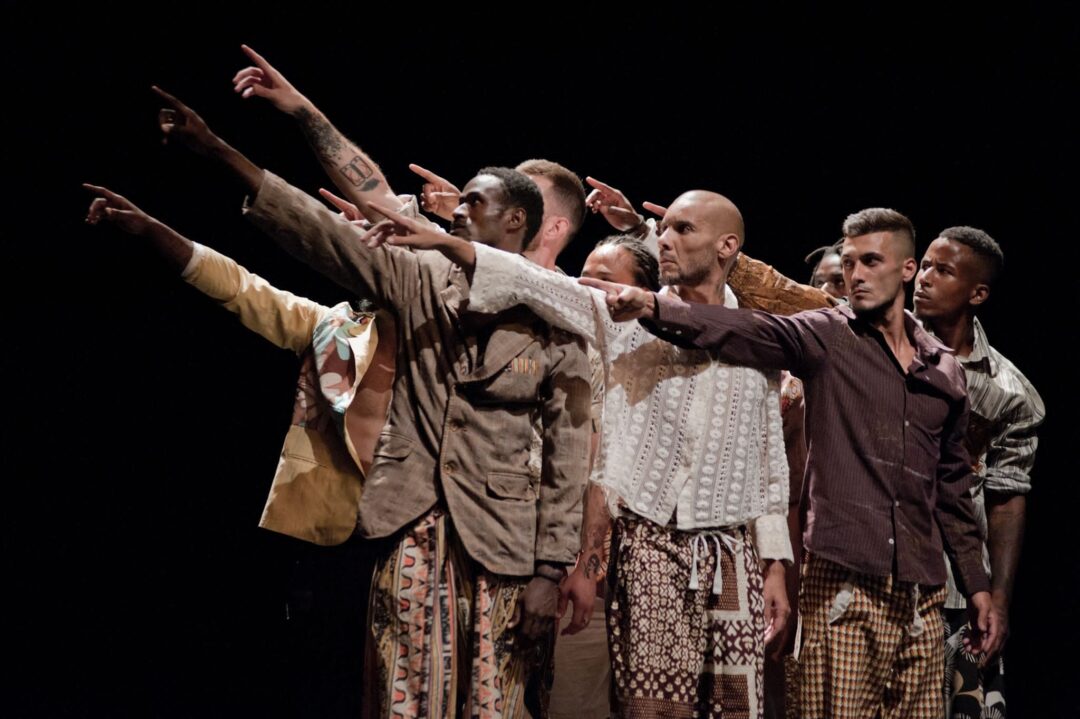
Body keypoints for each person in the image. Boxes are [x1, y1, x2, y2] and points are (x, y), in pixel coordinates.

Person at [153, 86, 593, 719]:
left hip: (504, 543)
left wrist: (550, 571)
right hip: (412, 522)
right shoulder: (419, 276)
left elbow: (568, 453)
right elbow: (319, 230)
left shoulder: (558, 313)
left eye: (474, 201)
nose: (457, 209)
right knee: (403, 699)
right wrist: (220, 150)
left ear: (516, 221)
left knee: (495, 704)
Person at [356, 187, 831, 718]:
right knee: (649, 710)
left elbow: (768, 461)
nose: (664, 240)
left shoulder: (757, 336)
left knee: (736, 708)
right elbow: (532, 281)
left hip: (732, 552)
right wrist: (449, 244)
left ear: (727, 246)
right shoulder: (621, 314)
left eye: (682, 230)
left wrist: (774, 567)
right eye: (662, 229)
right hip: (649, 542)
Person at [582, 207, 1001, 718]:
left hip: (922, 592)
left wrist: (977, 586)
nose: (856, 275)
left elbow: (953, 491)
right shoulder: (826, 335)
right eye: (849, 262)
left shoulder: (944, 371)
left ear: (906, 269)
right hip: (844, 580)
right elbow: (742, 325)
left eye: (871, 261)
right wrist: (653, 304)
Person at [913, 226, 1045, 719]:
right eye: (924, 264)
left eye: (943, 271)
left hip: (956, 586)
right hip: (875, 568)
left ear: (977, 293)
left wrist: (1000, 600)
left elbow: (1007, 497)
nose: (923, 278)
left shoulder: (1010, 393)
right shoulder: (882, 345)